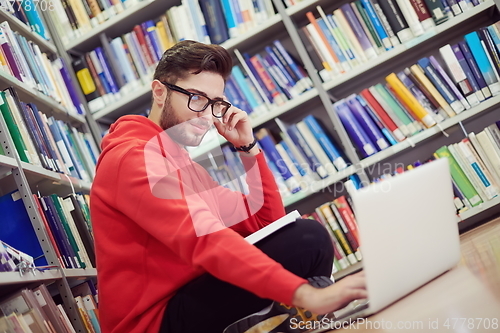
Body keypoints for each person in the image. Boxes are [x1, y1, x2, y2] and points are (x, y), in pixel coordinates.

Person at [90, 40, 367, 333]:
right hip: (155, 322)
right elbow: (204, 239)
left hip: (188, 297)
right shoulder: (132, 157)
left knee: (308, 240)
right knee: (307, 240)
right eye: (196, 99)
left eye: (215, 104)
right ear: (160, 92)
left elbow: (264, 221)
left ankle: (295, 323)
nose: (208, 117)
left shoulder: (180, 162)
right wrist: (306, 294)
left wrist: (248, 149)